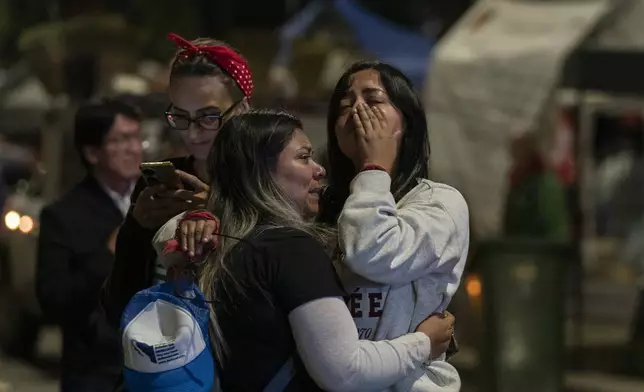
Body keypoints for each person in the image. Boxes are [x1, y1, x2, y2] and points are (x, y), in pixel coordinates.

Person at [185, 108, 455, 391]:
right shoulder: (289, 249)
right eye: (303, 157)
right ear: (261, 170)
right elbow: (345, 371)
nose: (319, 169)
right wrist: (424, 343)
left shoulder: (226, 246)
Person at [319, 60, 469, 391]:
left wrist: (373, 166)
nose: (357, 108)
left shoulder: (439, 203)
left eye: (373, 99)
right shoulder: (321, 208)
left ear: (407, 123)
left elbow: (373, 251)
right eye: (345, 105)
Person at [100, 32, 253, 329]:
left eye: (209, 117)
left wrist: (221, 212)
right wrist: (136, 229)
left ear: (243, 109)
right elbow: (118, 307)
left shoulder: (264, 183)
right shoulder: (161, 185)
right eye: (181, 117)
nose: (193, 133)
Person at [36, 99, 142, 392]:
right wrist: (108, 253)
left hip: (156, 367)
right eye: (121, 140)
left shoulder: (156, 198)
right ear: (92, 152)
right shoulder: (64, 215)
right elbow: (53, 300)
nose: (134, 148)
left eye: (136, 137)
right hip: (97, 372)